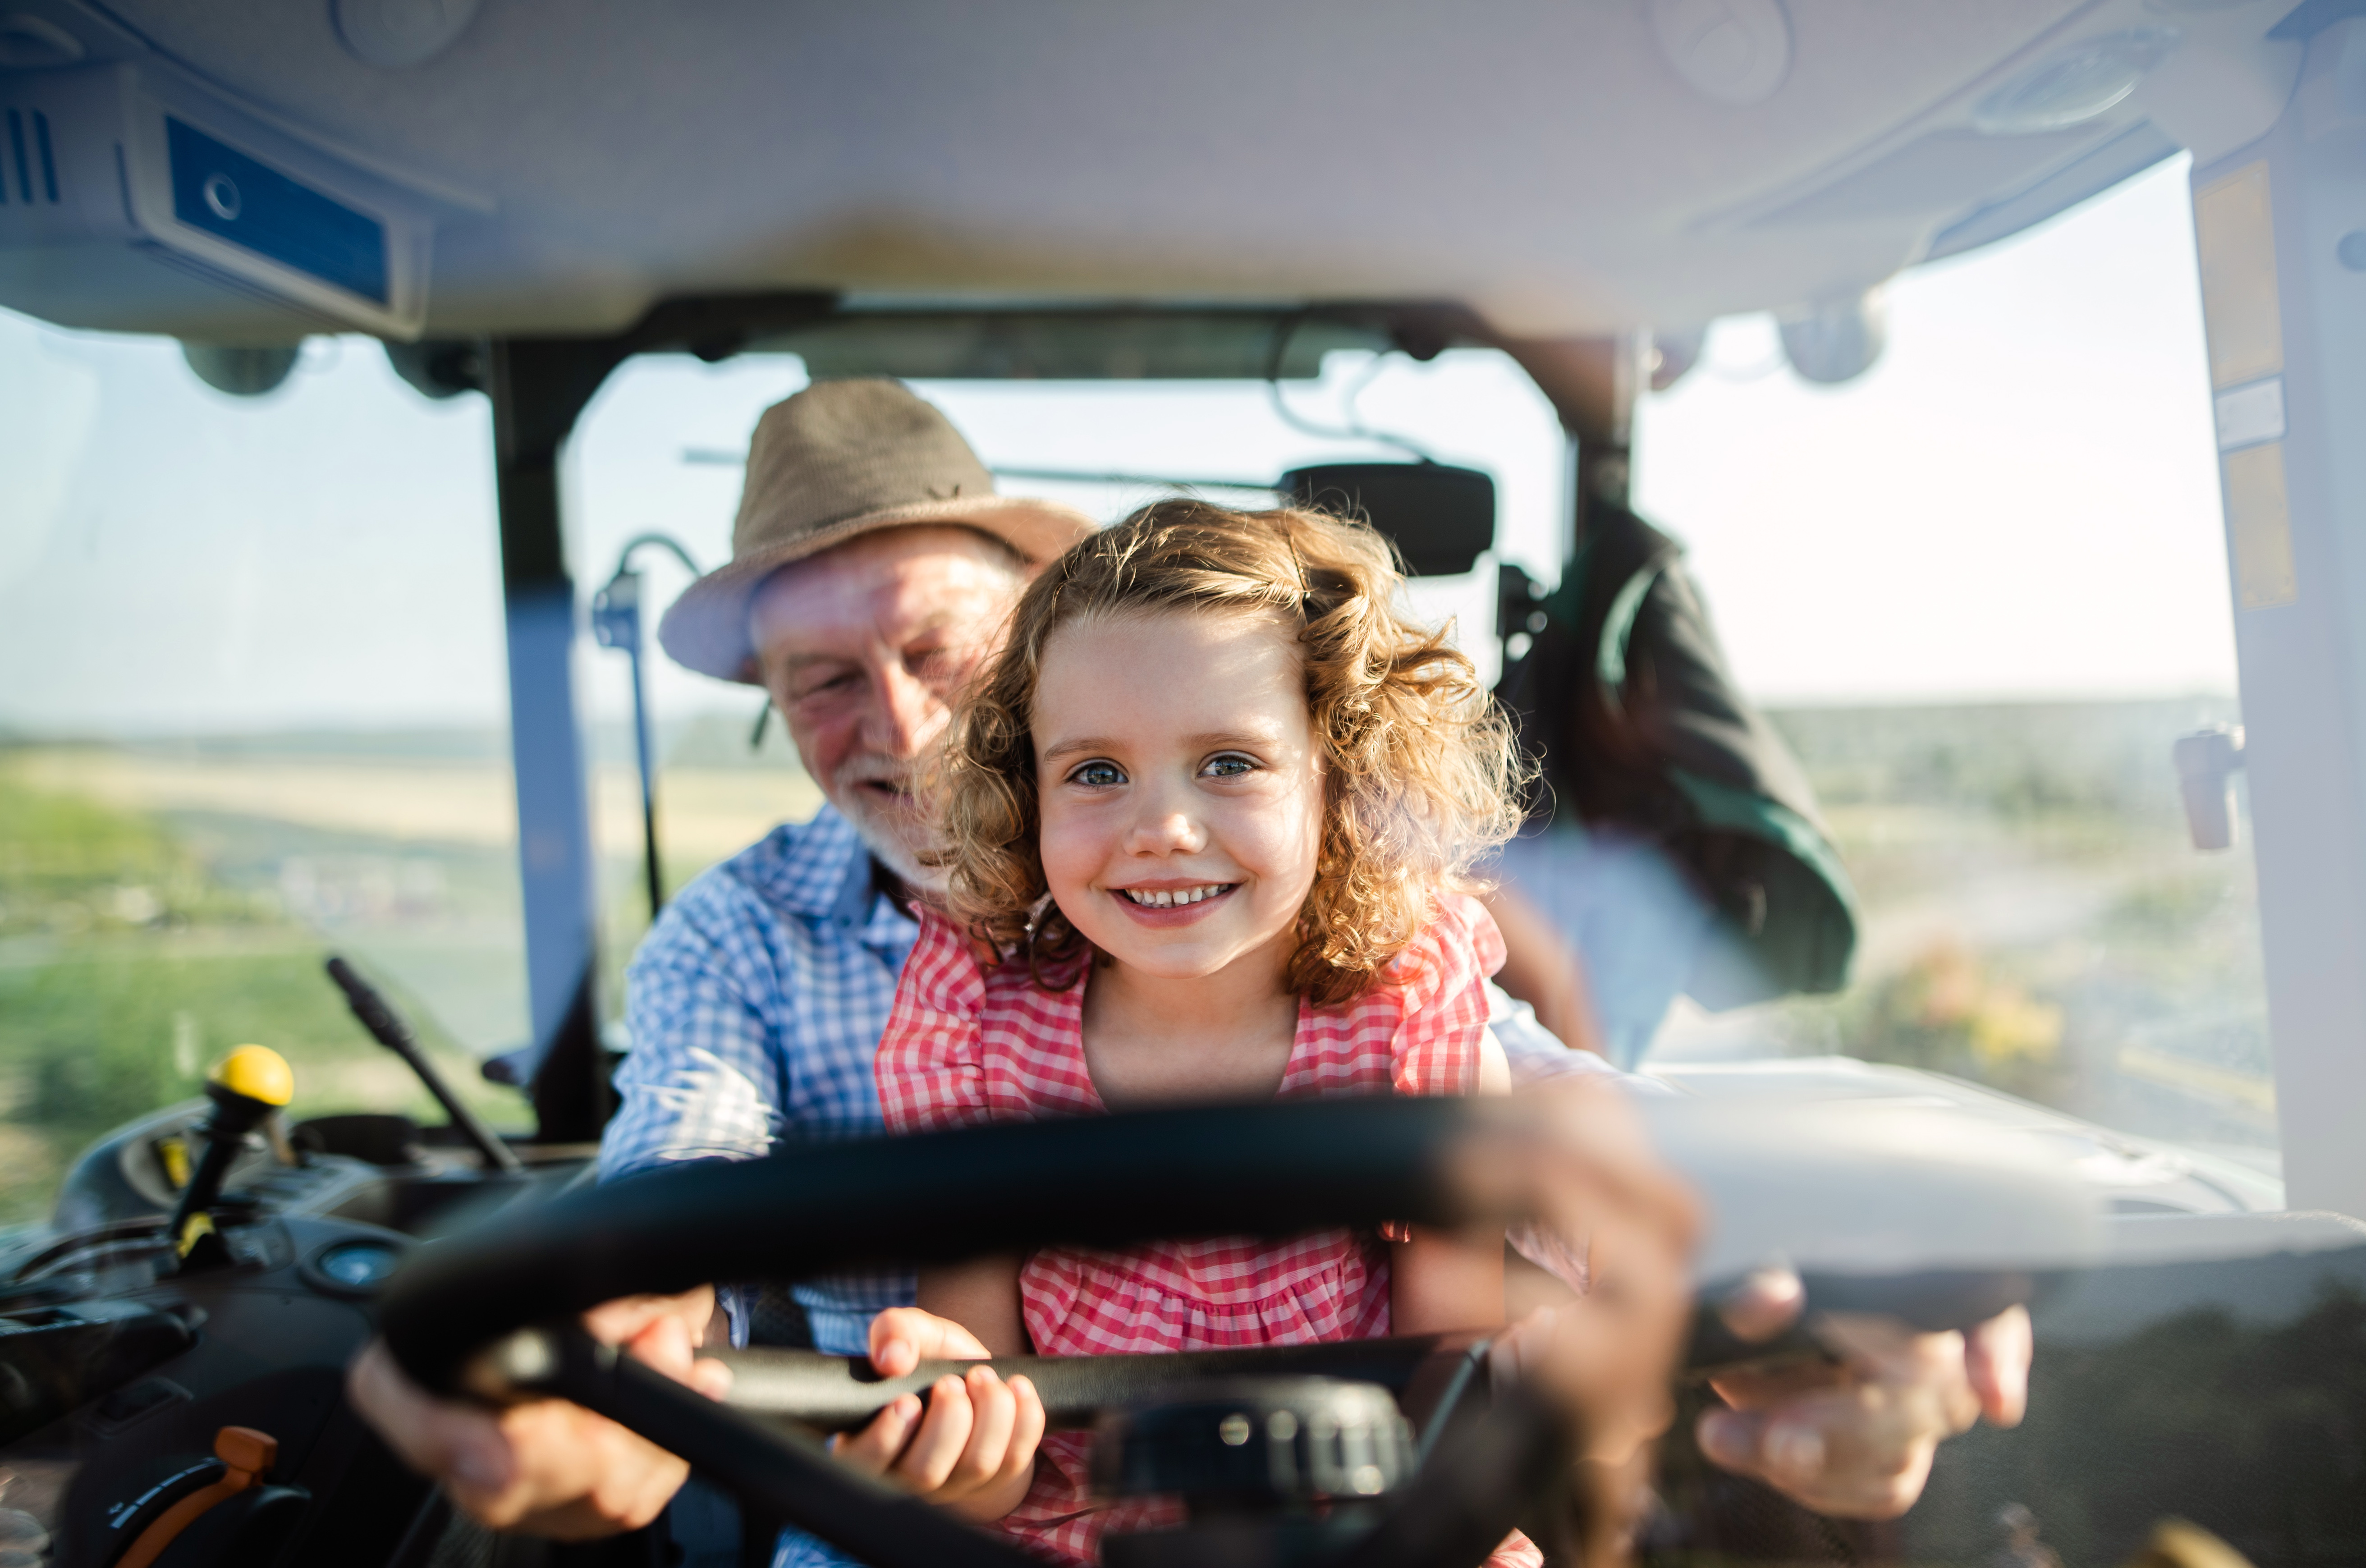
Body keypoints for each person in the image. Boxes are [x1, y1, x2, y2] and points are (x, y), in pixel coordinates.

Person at [344, 377, 2031, 1559]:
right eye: (822, 681)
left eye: (934, 651)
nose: (904, 725)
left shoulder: (1378, 961)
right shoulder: (764, 941)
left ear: (1025, 645)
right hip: (917, 1491)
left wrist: (1802, 1241)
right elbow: (674, 1180)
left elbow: (1543, 1114)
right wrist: (596, 1341)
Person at [866, 500, 1534, 1564]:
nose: (1161, 828)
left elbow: (1448, 1396)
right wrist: (952, 1440)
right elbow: (986, 1456)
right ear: (1023, 792)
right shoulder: (979, 1045)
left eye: (1228, 761)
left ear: (1335, 770)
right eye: (1094, 772)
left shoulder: (1407, 1038)